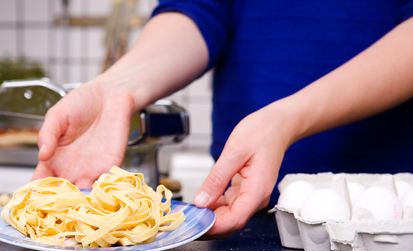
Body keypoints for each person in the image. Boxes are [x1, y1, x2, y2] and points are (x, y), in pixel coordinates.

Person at [34, 1, 413, 238]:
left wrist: (288, 119)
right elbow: (199, 11)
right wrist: (117, 89)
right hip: (245, 220)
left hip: (387, 227)